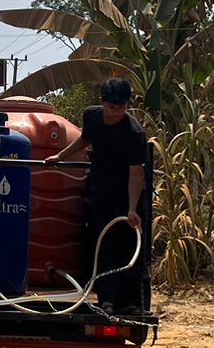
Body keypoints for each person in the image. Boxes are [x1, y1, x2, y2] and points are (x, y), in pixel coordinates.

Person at [44, 77, 151, 313]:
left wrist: (132, 209)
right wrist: (60, 156)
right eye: (112, 107)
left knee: (128, 247)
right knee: (103, 245)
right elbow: (85, 138)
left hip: (127, 194)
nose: (117, 112)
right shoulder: (92, 116)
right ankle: (107, 300)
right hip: (100, 190)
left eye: (122, 107)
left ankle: (130, 303)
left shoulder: (134, 133)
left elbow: (136, 174)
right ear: (102, 102)